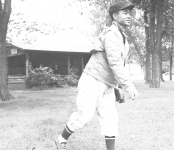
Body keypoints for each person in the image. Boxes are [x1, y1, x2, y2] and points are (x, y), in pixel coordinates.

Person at [55, 1, 139, 150]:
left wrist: (117, 87)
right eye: (125, 13)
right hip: (92, 80)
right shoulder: (111, 35)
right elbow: (115, 63)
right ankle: (61, 139)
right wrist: (128, 85)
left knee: (110, 119)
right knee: (85, 116)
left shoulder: (121, 36)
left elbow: (118, 64)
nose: (129, 16)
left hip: (107, 85)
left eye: (130, 13)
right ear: (115, 15)